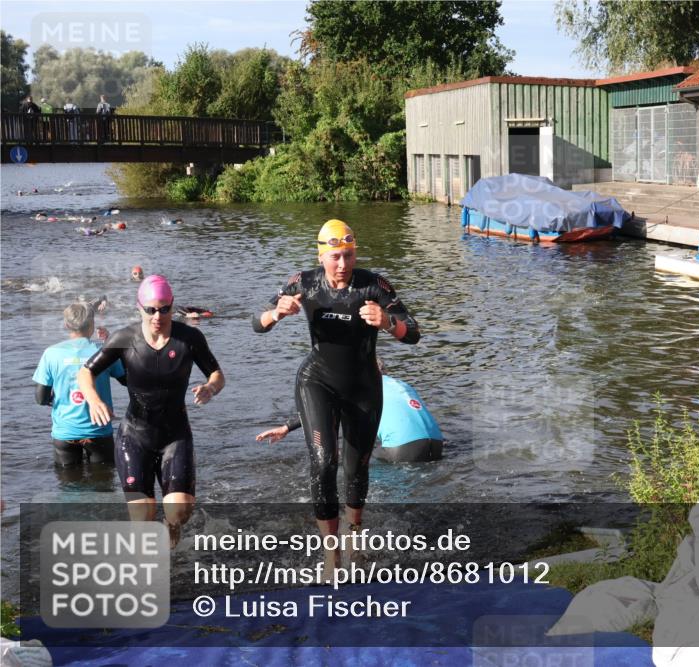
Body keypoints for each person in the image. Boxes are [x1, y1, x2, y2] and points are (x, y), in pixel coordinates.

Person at [252, 219, 420, 575]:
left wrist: (388, 323)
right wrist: (276, 314)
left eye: (349, 255)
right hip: (317, 381)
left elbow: (414, 333)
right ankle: (332, 553)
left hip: (363, 387)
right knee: (324, 461)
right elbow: (257, 322)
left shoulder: (373, 284)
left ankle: (354, 536)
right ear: (322, 255)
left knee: (356, 468)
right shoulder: (304, 282)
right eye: (335, 257)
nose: (343, 265)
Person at [78, 275, 225, 547]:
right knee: (142, 514)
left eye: (165, 309)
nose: (158, 316)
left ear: (172, 305)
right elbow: (86, 371)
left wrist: (210, 388)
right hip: (135, 435)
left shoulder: (189, 338)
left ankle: (170, 525)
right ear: (140, 308)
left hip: (175, 435)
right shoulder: (124, 338)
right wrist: (93, 399)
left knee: (179, 511)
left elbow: (217, 374)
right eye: (151, 310)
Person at [257, 372, 444, 463]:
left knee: (354, 468)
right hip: (436, 444)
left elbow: (323, 410)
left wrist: (286, 428)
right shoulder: (400, 383)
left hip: (403, 450)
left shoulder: (361, 387)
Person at [33, 304, 126, 467]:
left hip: (65, 433)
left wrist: (53, 398)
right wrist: (114, 346)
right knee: (102, 485)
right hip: (98, 431)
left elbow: (41, 399)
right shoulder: (103, 351)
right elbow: (128, 380)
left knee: (69, 486)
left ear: (66, 325)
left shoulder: (51, 353)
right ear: (92, 324)